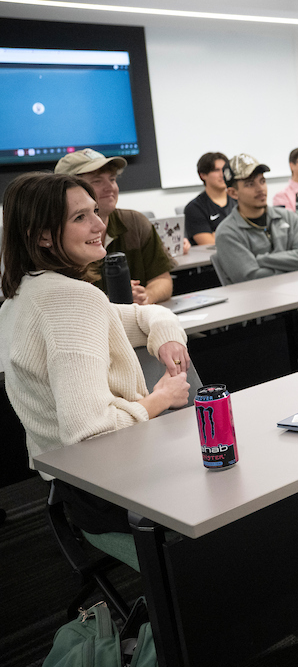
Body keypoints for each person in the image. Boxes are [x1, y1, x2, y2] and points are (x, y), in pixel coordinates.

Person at [0, 172, 192, 535]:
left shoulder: (19, 298)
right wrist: (159, 399)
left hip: (75, 495)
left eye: (94, 212)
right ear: (41, 235)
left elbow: (140, 316)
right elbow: (92, 435)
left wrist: (166, 333)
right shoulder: (71, 300)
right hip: (122, 493)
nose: (99, 224)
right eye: (80, 217)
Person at [55, 148, 178, 305]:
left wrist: (145, 297)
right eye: (97, 181)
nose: (110, 187)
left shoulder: (135, 223)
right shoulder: (58, 236)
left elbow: (162, 279)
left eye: (112, 179)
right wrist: (111, 304)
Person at [213, 154, 298, 285]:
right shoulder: (227, 232)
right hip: (257, 301)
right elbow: (251, 277)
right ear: (233, 193)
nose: (260, 189)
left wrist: (262, 260)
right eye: (250, 184)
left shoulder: (288, 217)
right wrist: (293, 269)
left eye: (262, 181)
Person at [183, 151, 234, 246]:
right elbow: (208, 243)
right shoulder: (194, 208)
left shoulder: (238, 200)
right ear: (203, 175)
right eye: (216, 170)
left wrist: (218, 234)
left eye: (224, 170)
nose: (222, 174)